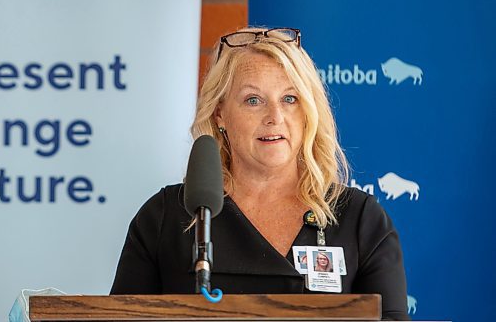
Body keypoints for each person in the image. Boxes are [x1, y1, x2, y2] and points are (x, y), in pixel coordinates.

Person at [110, 27, 409, 320]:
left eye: (290, 99)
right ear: (220, 114)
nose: (274, 117)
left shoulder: (360, 219)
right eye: (253, 100)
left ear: (309, 112)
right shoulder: (165, 217)